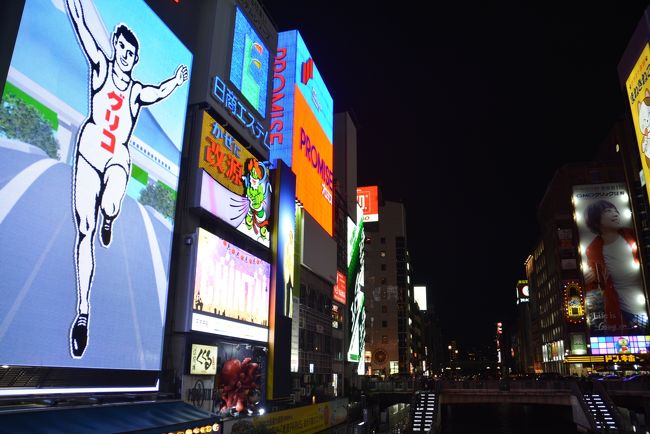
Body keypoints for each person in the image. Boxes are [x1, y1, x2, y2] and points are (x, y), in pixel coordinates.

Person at [66, 0, 188, 358]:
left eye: (130, 52)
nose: (123, 54)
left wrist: (177, 82)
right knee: (83, 229)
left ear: (135, 60)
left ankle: (110, 216)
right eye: (120, 46)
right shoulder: (101, 67)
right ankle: (83, 314)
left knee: (111, 201)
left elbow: (157, 92)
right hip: (90, 150)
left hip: (118, 155)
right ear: (115, 47)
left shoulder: (135, 91)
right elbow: (83, 29)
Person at [583, 199, 648, 331]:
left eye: (615, 210)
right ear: (596, 221)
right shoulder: (593, 250)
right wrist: (587, 281)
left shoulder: (633, 234)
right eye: (608, 211)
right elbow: (597, 287)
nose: (615, 213)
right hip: (625, 311)